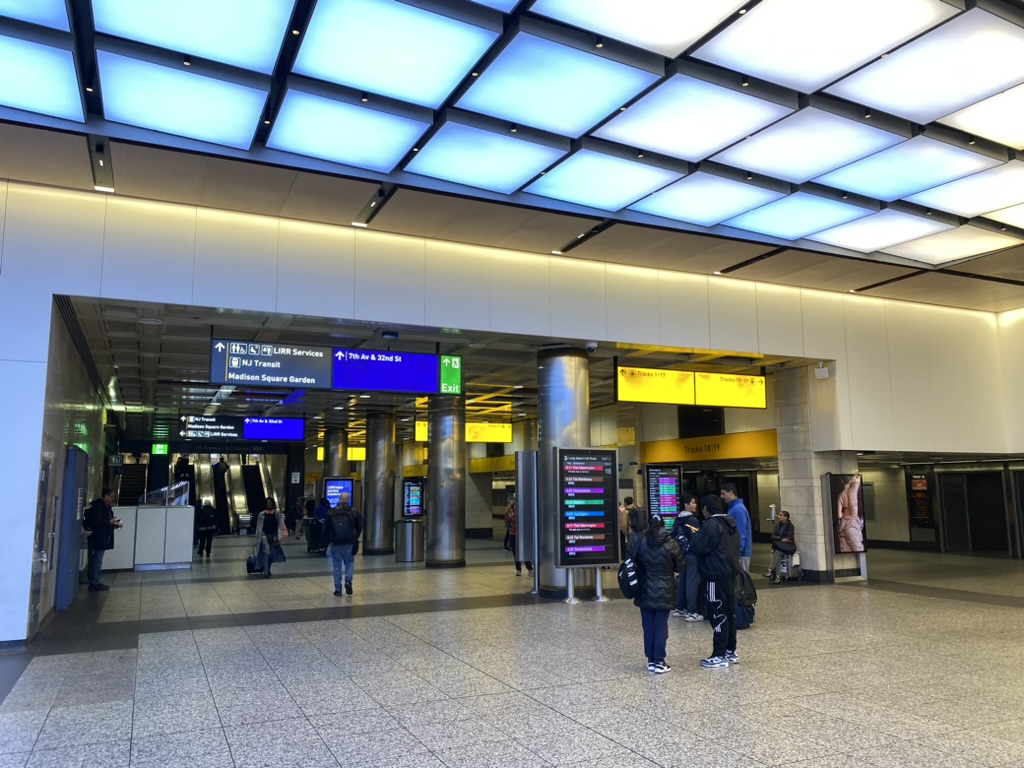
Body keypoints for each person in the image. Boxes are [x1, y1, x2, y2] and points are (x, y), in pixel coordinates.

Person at [629, 514, 683, 674]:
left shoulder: (640, 542)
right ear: (662, 526)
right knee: (660, 626)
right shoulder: (671, 544)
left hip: (644, 590)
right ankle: (660, 660)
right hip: (664, 590)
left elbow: (631, 562)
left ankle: (651, 659)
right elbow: (680, 567)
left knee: (648, 626)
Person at [691, 495, 740, 668]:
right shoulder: (731, 523)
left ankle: (718, 654)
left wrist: (695, 536)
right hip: (730, 574)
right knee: (729, 612)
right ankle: (730, 651)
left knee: (717, 613)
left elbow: (700, 546)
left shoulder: (711, 525)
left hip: (714, 574)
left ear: (705, 509)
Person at [322, 492, 362, 596]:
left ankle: (338, 589)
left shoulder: (331, 511)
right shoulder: (354, 511)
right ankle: (348, 580)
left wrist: (326, 541)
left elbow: (326, 527)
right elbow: (360, 525)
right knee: (349, 562)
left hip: (335, 542)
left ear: (339, 499)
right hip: (349, 541)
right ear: (348, 500)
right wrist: (355, 537)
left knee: (336, 566)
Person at [671, 494, 703, 621]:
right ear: (686, 505)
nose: (695, 505)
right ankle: (691, 611)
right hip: (691, 554)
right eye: (693, 502)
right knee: (691, 581)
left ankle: (680, 608)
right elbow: (697, 539)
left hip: (681, 554)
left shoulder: (678, 519)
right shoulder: (692, 520)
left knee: (682, 580)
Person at [82, 488, 121, 592]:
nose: (112, 499)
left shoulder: (106, 508)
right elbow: (97, 523)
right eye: (111, 496)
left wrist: (114, 525)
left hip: (102, 538)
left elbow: (104, 523)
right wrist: (109, 522)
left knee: (97, 560)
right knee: (96, 560)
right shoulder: (99, 508)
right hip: (98, 539)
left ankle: (95, 581)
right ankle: (95, 583)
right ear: (105, 496)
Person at [720, 484, 752, 573]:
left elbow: (741, 533)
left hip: (741, 553)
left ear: (731, 493)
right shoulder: (734, 508)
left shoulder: (738, 509)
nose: (722, 497)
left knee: (741, 581)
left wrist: (737, 551)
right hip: (738, 552)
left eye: (723, 493)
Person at [253, 498, 287, 578]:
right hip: (264, 534)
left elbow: (280, 525)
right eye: (267, 503)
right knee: (266, 552)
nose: (269, 504)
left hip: (274, 535)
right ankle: (266, 571)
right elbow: (258, 527)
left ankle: (267, 568)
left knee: (271, 553)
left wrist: (280, 536)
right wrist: (257, 538)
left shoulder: (276, 514)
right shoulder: (261, 514)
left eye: (270, 503)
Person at [765, 510, 796, 582]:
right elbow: (773, 536)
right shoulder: (777, 525)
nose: (779, 516)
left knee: (777, 552)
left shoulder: (790, 526)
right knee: (778, 554)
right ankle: (777, 576)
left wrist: (778, 539)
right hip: (780, 546)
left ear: (786, 517)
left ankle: (770, 570)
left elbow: (789, 538)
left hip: (788, 547)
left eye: (780, 515)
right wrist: (781, 539)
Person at [836, 474, 864, 553]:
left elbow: (839, 515)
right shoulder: (853, 491)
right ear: (851, 480)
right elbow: (857, 480)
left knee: (846, 550)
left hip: (843, 525)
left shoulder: (840, 496)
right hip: (853, 525)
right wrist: (856, 476)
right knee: (858, 549)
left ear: (842, 481)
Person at [505, 500, 534, 576]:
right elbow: (506, 522)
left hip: (523, 533)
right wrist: (509, 518)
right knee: (515, 552)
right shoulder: (510, 510)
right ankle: (518, 569)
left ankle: (530, 568)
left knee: (525, 551)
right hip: (513, 534)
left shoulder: (524, 509)